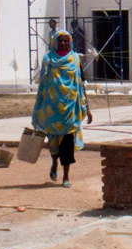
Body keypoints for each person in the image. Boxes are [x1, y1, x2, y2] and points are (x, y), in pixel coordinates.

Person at [32, 29, 93, 187]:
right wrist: (39, 107)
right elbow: (43, 85)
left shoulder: (75, 60)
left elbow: (80, 84)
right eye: (61, 40)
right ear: (55, 42)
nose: (63, 43)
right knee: (53, 144)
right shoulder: (48, 60)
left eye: (66, 40)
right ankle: (54, 163)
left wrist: (87, 107)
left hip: (70, 109)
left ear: (70, 42)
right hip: (53, 109)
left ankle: (66, 176)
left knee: (67, 144)